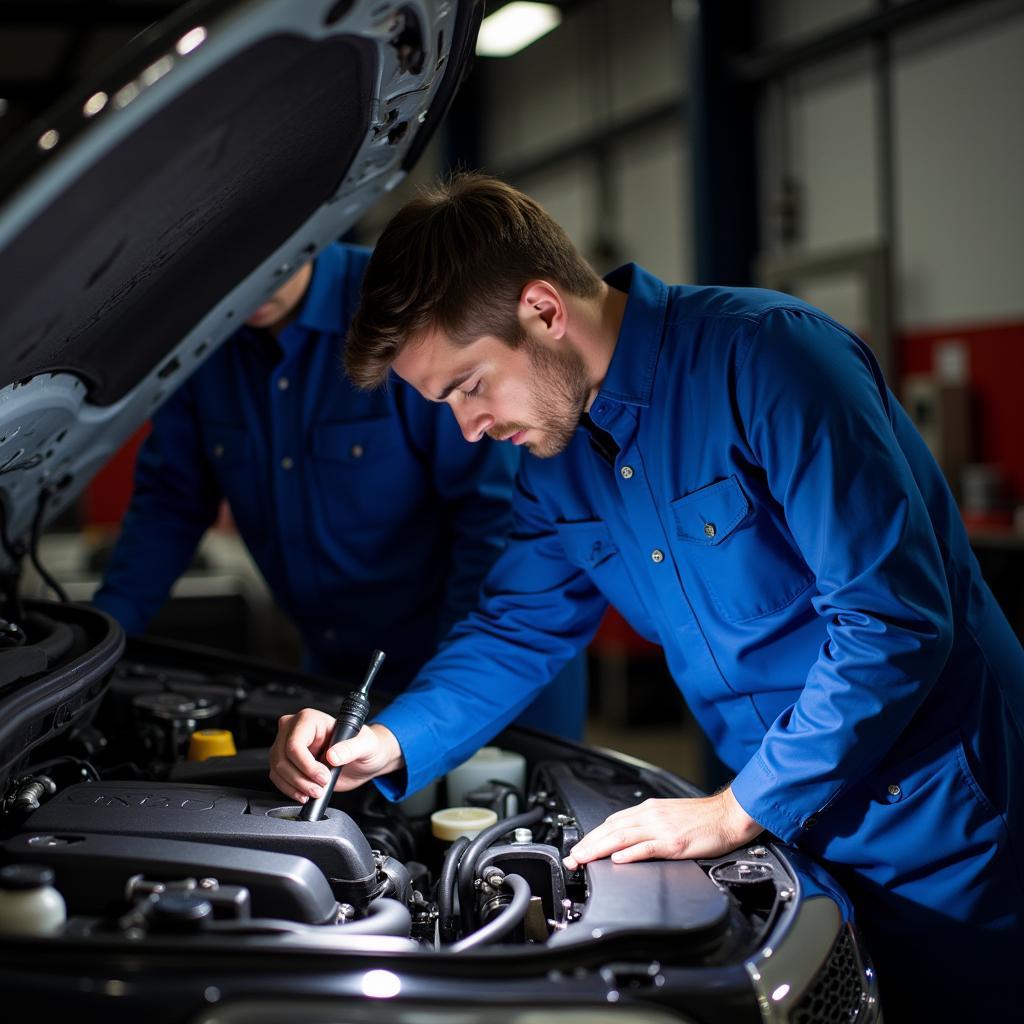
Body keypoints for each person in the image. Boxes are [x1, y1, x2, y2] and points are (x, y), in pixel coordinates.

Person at [270, 176, 1024, 1017]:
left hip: (945, 821)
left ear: (544, 310)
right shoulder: (555, 460)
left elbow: (895, 620)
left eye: (469, 386)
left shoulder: (773, 360)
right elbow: (519, 625)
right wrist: (384, 742)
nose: (468, 429)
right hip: (787, 819)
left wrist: (738, 808)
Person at [93, 241, 587, 736]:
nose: (246, 285)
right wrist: (100, 643)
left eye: (265, 261)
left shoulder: (402, 311)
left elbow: (491, 516)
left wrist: (442, 700)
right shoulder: (204, 349)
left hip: (483, 667)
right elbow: (170, 504)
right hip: (338, 676)